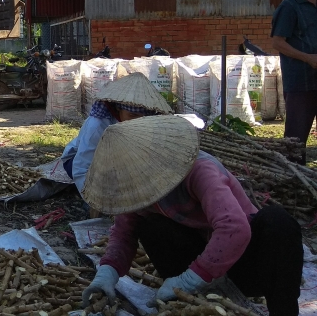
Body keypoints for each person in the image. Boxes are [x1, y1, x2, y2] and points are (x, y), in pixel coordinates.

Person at [80, 115, 303, 316]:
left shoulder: (199, 170)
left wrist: (190, 280)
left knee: (278, 222)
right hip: (195, 259)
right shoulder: (136, 188)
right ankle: (191, 303)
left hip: (243, 261)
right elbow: (124, 233)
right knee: (153, 227)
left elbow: (234, 228)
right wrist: (106, 274)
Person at [53, 73, 173, 193]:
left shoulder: (147, 121)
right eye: (132, 115)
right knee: (112, 183)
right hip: (78, 161)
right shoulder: (98, 125)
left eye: (143, 117)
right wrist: (90, 197)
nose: (137, 121)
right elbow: (81, 166)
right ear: (118, 109)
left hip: (119, 158)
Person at [270, 0, 317, 147]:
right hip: (301, 83)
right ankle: (293, 176)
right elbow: (278, 42)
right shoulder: (288, 7)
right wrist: (307, 58)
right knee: (295, 140)